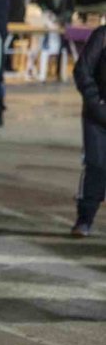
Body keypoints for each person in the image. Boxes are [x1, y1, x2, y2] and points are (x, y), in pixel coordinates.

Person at [71, 23, 106, 238]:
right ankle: (85, 219)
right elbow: (82, 71)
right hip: (98, 118)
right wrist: (96, 103)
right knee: (96, 167)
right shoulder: (102, 37)